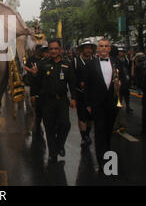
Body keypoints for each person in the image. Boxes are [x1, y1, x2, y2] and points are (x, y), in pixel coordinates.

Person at [31, 39, 77, 164]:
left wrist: (73, 98)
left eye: (56, 48)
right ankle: (53, 153)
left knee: (65, 124)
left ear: (60, 50)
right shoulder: (42, 64)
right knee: (49, 127)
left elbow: (72, 83)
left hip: (62, 100)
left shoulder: (67, 64)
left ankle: (60, 144)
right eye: (51, 49)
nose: (53, 51)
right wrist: (34, 76)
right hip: (47, 101)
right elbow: (36, 83)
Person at [83, 38, 124, 173]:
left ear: (110, 48)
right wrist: (88, 103)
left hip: (112, 103)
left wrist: (121, 85)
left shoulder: (117, 62)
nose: (104, 48)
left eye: (106, 46)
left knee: (108, 131)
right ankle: (102, 161)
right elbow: (87, 86)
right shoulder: (90, 64)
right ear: (98, 48)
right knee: (99, 131)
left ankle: (107, 155)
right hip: (97, 103)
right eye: (101, 46)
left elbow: (123, 79)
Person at [73, 40, 96, 148]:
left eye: (90, 48)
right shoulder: (76, 61)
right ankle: (84, 137)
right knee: (82, 116)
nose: (88, 50)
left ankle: (87, 133)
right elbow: (72, 78)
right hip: (80, 93)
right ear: (82, 49)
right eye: (86, 48)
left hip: (92, 94)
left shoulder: (95, 61)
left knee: (91, 117)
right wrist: (79, 83)